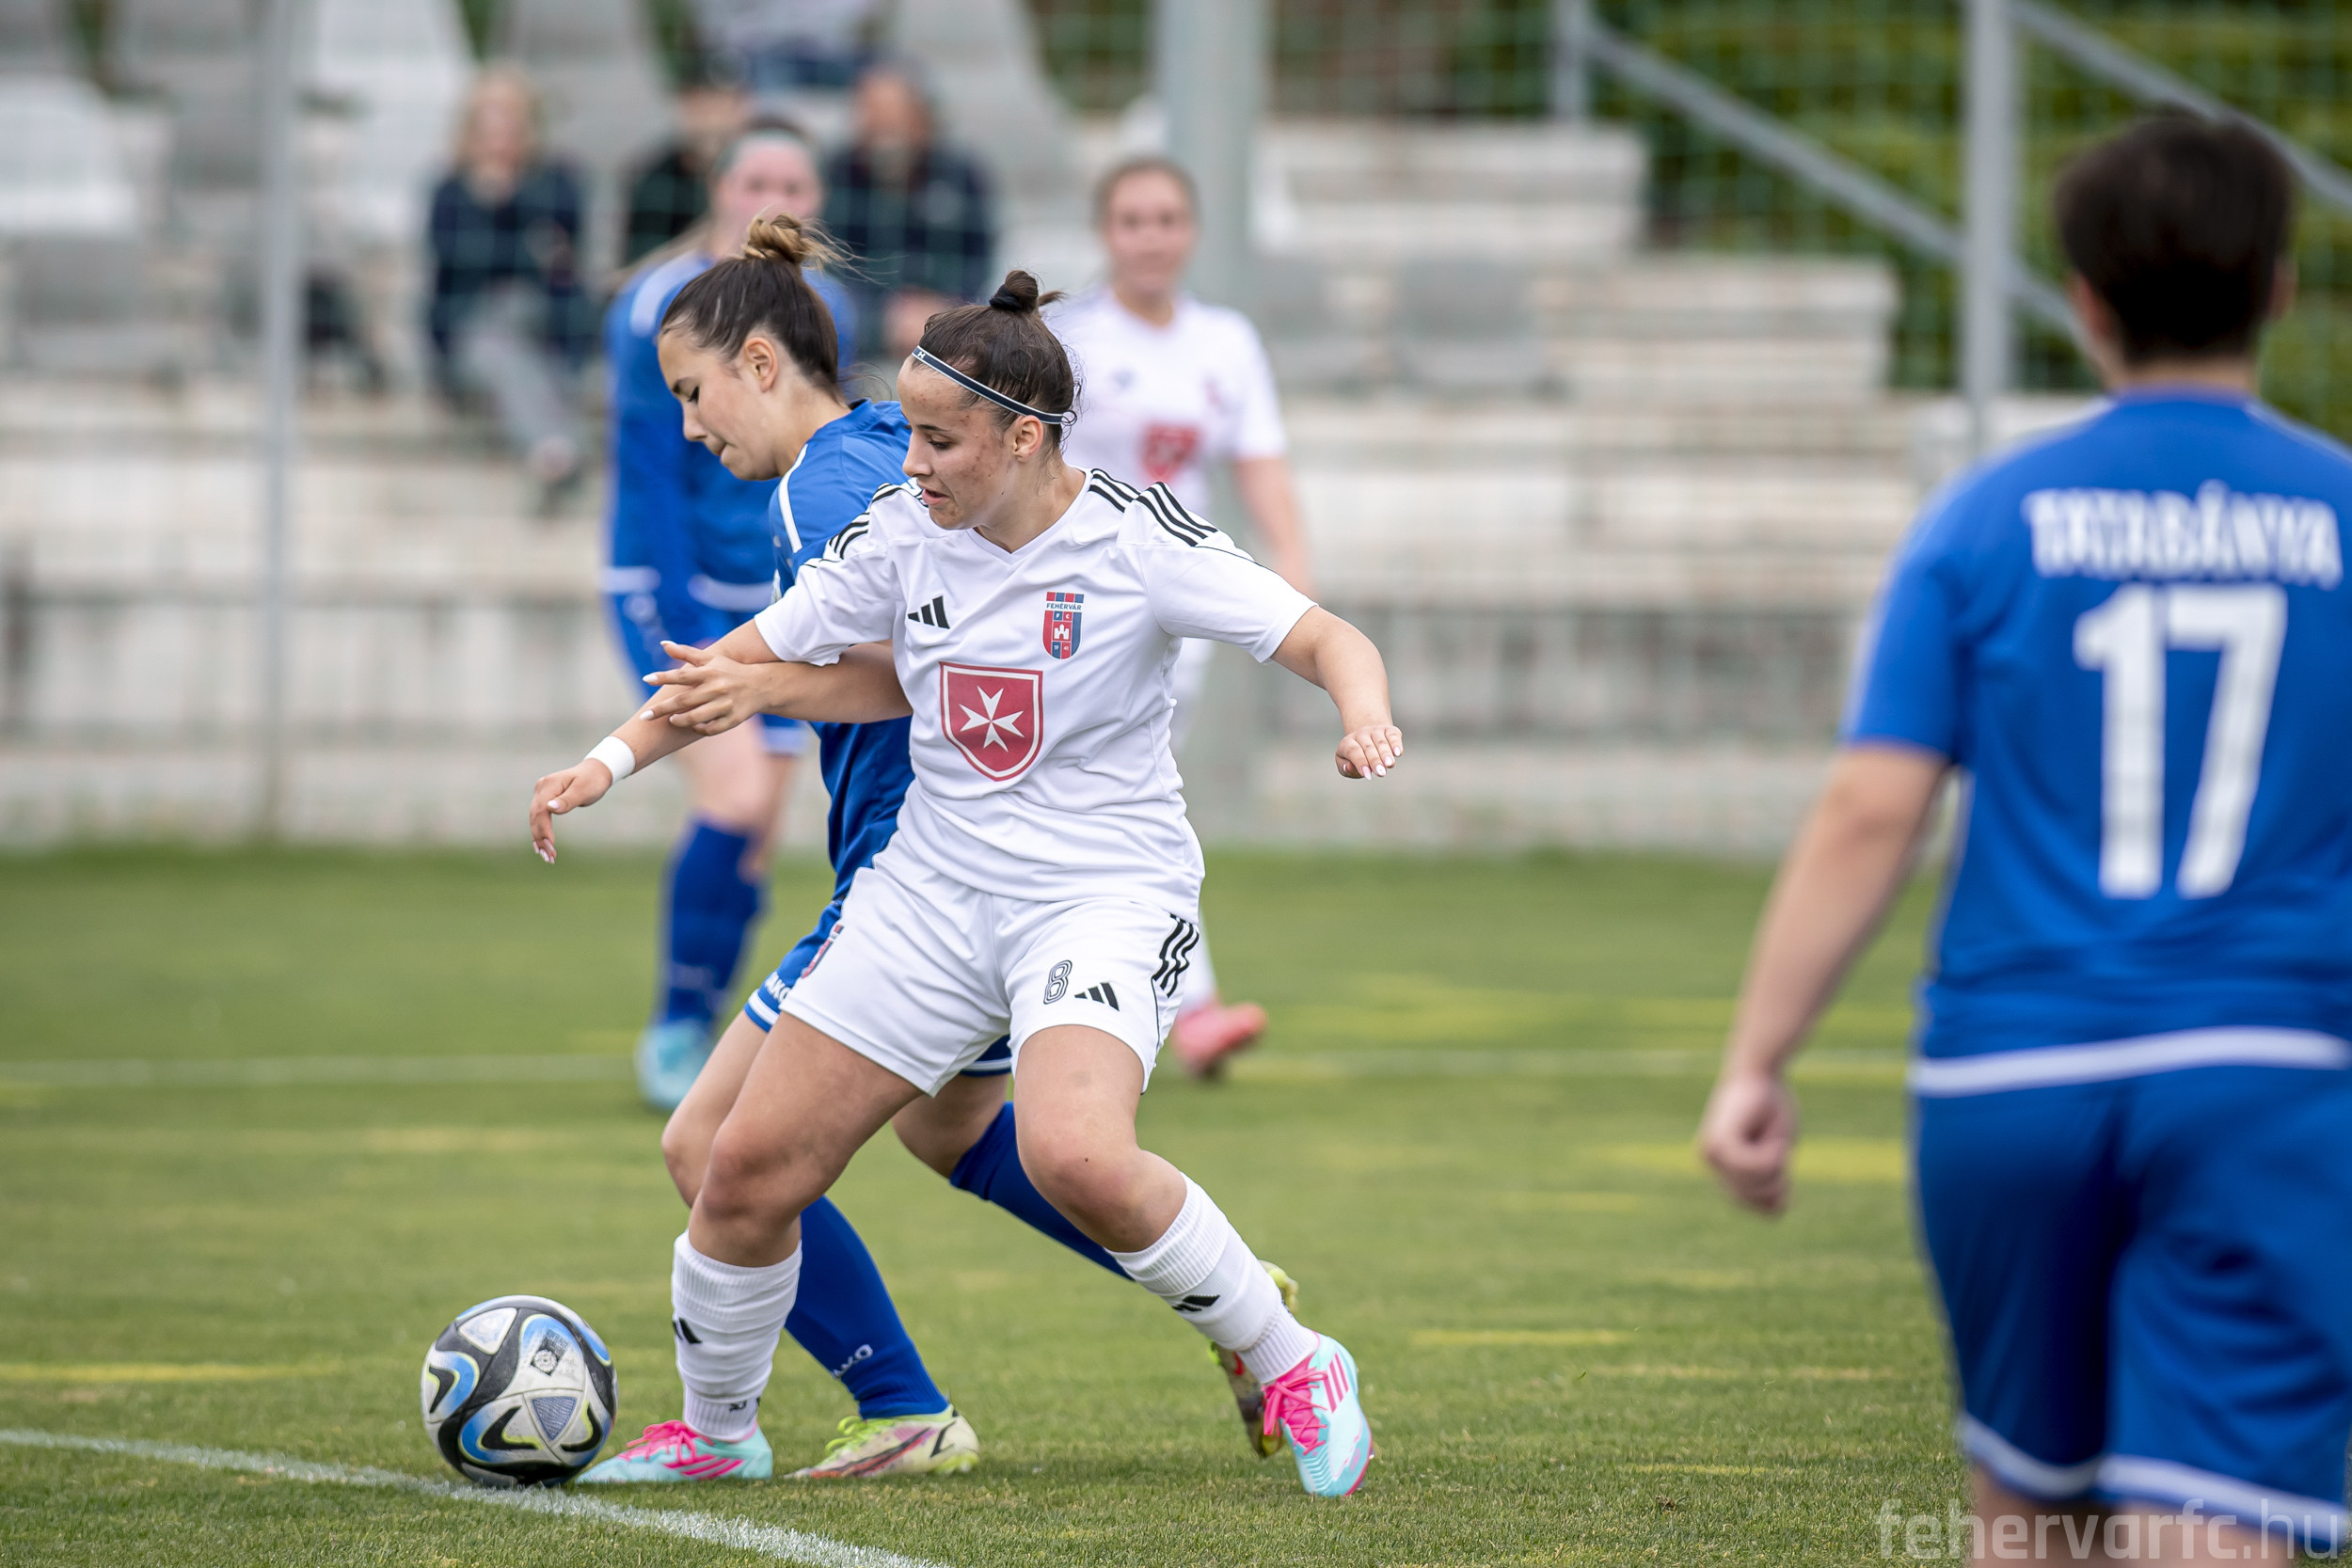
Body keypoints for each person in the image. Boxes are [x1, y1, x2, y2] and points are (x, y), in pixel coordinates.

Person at [532, 261, 1399, 1498]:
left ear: (1024, 436)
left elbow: (1324, 634)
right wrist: (608, 761)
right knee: (740, 1167)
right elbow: (750, 663)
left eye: (938, 441)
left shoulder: (1137, 536)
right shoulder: (901, 530)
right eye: (910, 435)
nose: (913, 464)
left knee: (1074, 1153)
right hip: (930, 893)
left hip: (1098, 894)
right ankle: (720, 1429)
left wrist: (1362, 716)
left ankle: (1293, 1355)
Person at [1697, 115, 2352, 1562]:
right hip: (2267, 1069)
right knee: (2215, 1512)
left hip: (2011, 1075)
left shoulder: (1987, 519)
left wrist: (1757, 1057)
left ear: (2085, 301)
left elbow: (1873, 806)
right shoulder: (2342, 514)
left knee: (2027, 1511)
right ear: (2282, 288)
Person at [603, 214, 975, 1480]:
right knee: (979, 1137)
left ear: (759, 363)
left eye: (692, 393)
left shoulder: (823, 488)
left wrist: (748, 693)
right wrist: (614, 759)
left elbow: (915, 668)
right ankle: (1237, 1300)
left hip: (911, 878)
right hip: (944, 868)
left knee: (709, 1147)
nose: (689, 428)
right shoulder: (870, 448)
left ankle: (878, 1408)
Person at [606, 119, 858, 1112]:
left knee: (755, 834)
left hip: (783, 587)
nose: (772, 196)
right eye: (755, 179)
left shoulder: (822, 308)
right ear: (718, 190)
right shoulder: (654, 307)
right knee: (736, 797)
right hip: (675, 579)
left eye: (793, 182)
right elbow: (650, 468)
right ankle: (674, 1031)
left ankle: (704, 1028)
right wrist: (682, 613)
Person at [1053, 154, 1317, 1076]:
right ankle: (1182, 1000)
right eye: (1132, 220)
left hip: (1181, 603)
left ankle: (1146, 1000)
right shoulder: (1067, 338)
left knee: (1120, 795)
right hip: (1077, 602)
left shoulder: (1225, 341)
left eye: (1167, 219)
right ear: (1105, 232)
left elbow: (1260, 459)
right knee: (1120, 795)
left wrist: (1291, 572)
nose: (1151, 237)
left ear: (1193, 232)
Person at [426, 68, 596, 512]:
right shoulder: (449, 191)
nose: (499, 138)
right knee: (499, 341)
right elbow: (455, 258)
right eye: (489, 125)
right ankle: (560, 449)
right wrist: (517, 241)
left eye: (510, 124)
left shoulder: (556, 182)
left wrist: (506, 207)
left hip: (547, 321)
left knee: (513, 327)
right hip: (469, 331)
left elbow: (564, 257)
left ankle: (551, 453)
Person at [821, 60, 993, 365]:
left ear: (922, 117)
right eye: (873, 113)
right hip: (859, 329)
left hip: (948, 325)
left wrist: (943, 312)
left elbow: (978, 261)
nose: (884, 127)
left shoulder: (962, 175)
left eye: (896, 115)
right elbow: (829, 264)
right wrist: (882, 317)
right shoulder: (835, 174)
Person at [621, 72, 753, 266]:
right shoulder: (656, 177)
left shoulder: (762, 170)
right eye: (700, 102)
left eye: (720, 102)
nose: (712, 116)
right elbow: (639, 264)